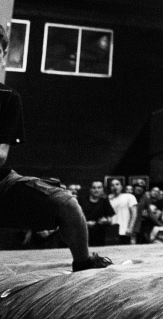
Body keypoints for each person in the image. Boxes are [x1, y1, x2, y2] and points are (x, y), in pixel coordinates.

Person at [0, 25, 113, 271]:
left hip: (1, 185)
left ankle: (83, 263)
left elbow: (0, 155)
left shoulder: (7, 97)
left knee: (66, 204)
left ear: (2, 55)